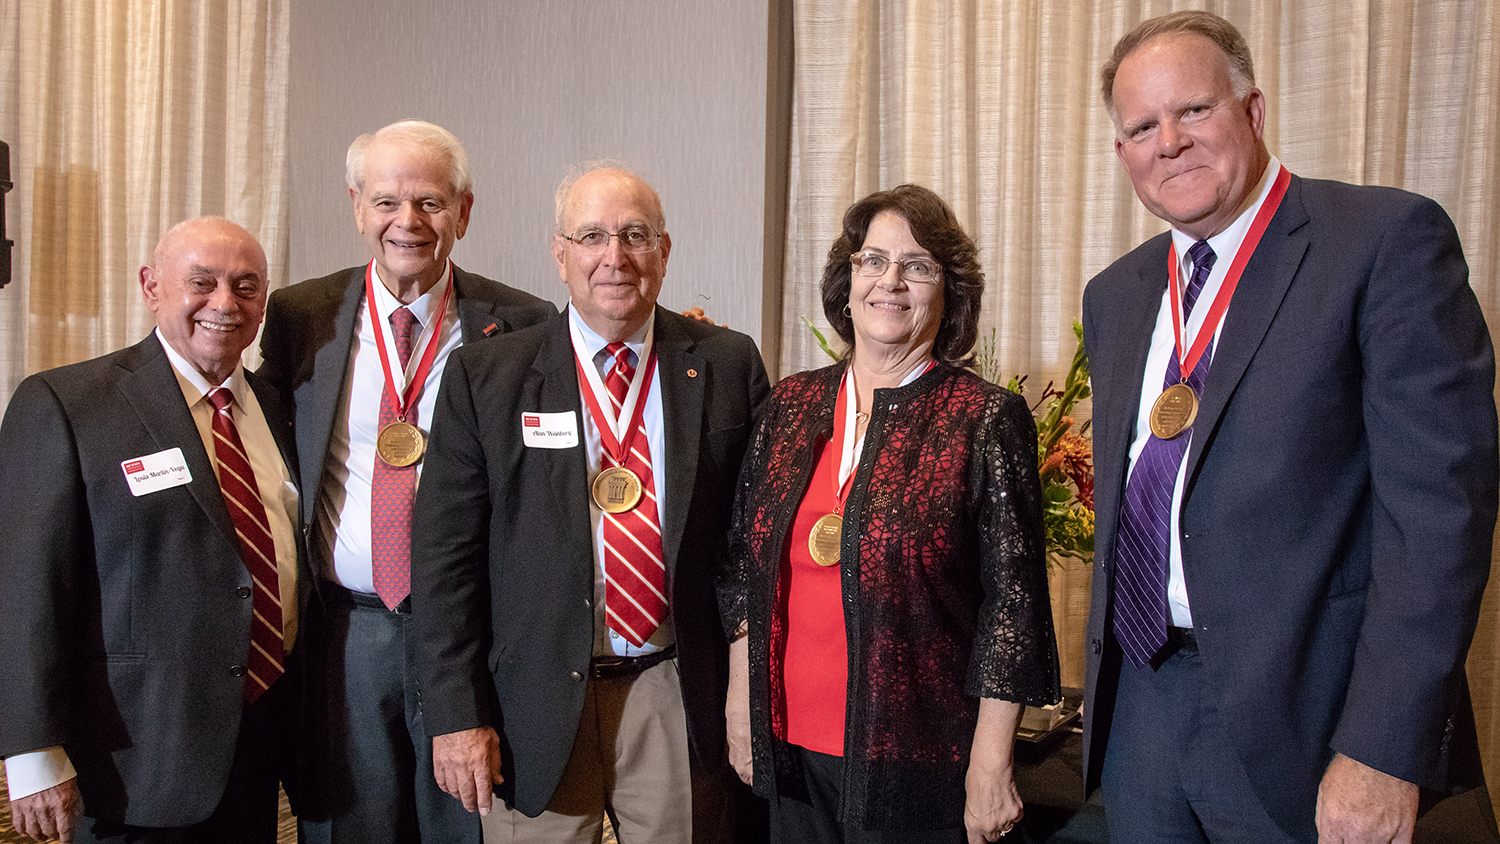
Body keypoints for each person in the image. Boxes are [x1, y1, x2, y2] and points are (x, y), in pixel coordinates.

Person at [1081, 11, 1498, 843]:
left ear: (1254, 111)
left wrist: (1384, 748)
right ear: (1123, 152)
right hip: (1143, 704)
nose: (1169, 142)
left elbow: (1438, 518)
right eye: (1142, 126)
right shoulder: (1116, 294)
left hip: (1309, 717)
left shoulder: (1381, 241)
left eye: (1193, 110)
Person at [411, 163, 769, 844]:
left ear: (664, 252)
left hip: (674, 685)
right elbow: (443, 563)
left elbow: (752, 544)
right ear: (560, 253)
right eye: (593, 236)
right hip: (534, 699)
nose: (615, 257)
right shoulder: (488, 377)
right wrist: (456, 715)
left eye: (635, 235)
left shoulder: (726, 363)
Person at [720, 184, 1060, 843]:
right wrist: (741, 708)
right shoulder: (790, 406)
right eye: (872, 260)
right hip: (791, 748)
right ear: (846, 282)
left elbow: (1012, 609)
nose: (891, 281)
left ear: (949, 290)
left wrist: (991, 764)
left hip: (918, 759)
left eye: (918, 265)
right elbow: (740, 566)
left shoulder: (983, 418)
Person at [257, 120, 555, 844]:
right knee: (348, 823)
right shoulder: (301, 315)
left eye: (429, 202)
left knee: (468, 823)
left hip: (472, 631)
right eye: (387, 201)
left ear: (464, 212)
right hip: (344, 630)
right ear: (357, 206)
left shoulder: (522, 324)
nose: (407, 222)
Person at [0, 217, 299, 843]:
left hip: (265, 742)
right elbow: (25, 589)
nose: (224, 303)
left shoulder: (281, 407)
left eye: (246, 286)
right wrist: (32, 753)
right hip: (134, 757)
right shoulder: (66, 403)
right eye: (202, 282)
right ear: (151, 286)